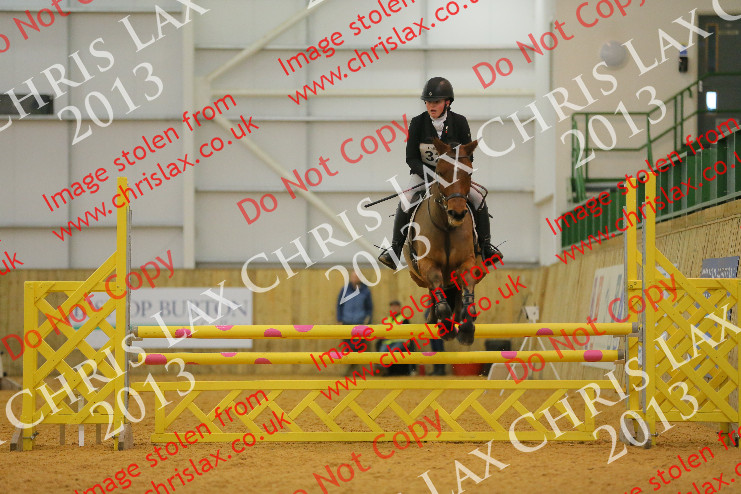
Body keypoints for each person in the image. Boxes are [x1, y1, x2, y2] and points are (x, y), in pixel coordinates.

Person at [378, 76, 502, 270]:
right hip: (423, 174)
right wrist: (432, 176)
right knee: (406, 200)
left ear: (447, 102)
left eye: (436, 102)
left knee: (478, 198)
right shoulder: (417, 123)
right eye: (428, 102)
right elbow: (411, 158)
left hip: (454, 178)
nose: (431, 106)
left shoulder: (459, 122)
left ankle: (486, 247)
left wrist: (452, 176)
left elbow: (468, 156)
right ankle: (395, 249)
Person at [336, 270, 373, 374]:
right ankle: (353, 368)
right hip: (346, 322)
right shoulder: (344, 290)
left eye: (357, 277)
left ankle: (352, 368)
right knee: (348, 347)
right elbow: (339, 305)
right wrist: (339, 319)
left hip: (360, 323)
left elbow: (369, 308)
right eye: (353, 276)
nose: (355, 278)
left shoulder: (366, 291)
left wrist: (368, 321)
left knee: (358, 346)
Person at [378, 301, 415, 376]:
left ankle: (390, 371)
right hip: (388, 342)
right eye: (392, 307)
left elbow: (408, 333)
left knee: (393, 351)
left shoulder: (404, 319)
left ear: (399, 308)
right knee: (382, 352)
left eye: (395, 306)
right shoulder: (387, 320)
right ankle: (384, 370)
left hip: (401, 342)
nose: (394, 308)